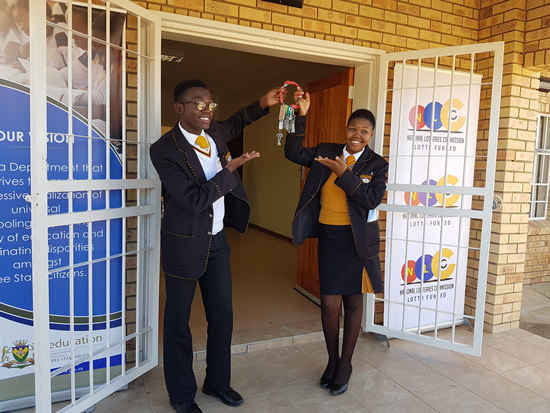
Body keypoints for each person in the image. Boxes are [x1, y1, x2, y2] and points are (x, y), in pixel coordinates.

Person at [149, 79, 281, 413]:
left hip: (218, 241)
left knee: (222, 317)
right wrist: (229, 171)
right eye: (198, 104)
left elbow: (237, 120)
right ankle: (181, 395)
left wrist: (263, 103)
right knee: (178, 323)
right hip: (183, 244)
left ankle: (217, 383)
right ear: (179, 108)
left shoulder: (216, 133)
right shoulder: (164, 149)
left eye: (209, 104)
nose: (206, 110)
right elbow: (193, 200)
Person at [284, 92, 388, 395]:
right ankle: (332, 360)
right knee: (329, 304)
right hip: (330, 238)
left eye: (364, 131)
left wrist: (345, 174)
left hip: (357, 241)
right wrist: (300, 116)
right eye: (353, 128)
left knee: (354, 302)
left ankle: (346, 364)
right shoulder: (327, 151)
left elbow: (370, 199)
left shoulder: (377, 164)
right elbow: (293, 152)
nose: (357, 135)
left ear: (371, 135)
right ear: (346, 130)